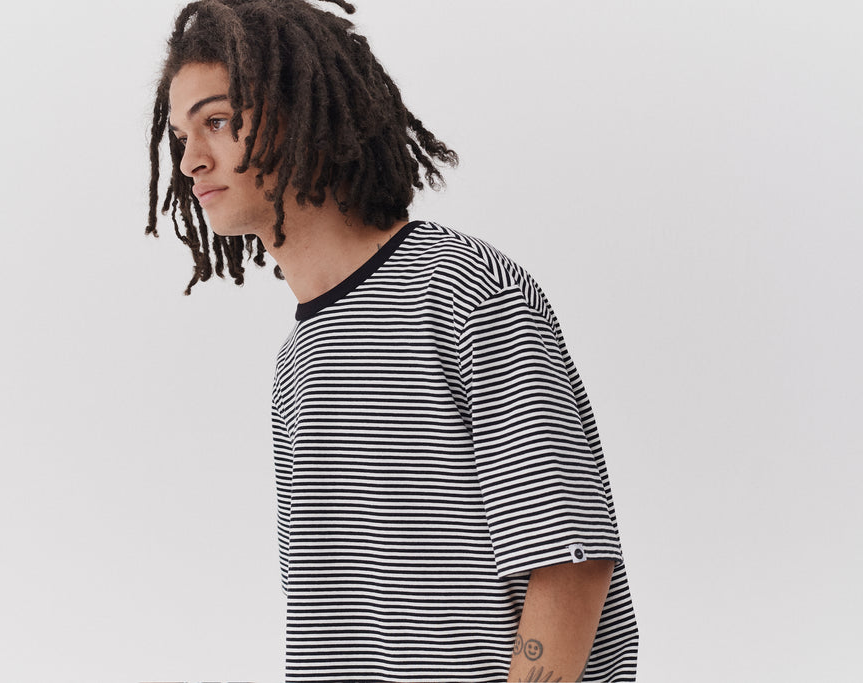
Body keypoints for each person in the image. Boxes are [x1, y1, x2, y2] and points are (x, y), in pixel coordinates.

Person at [145, 1, 638, 680]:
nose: (191, 161)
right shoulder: (298, 360)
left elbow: (569, 562)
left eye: (219, 122)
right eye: (180, 135)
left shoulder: (467, 293)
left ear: (299, 113)